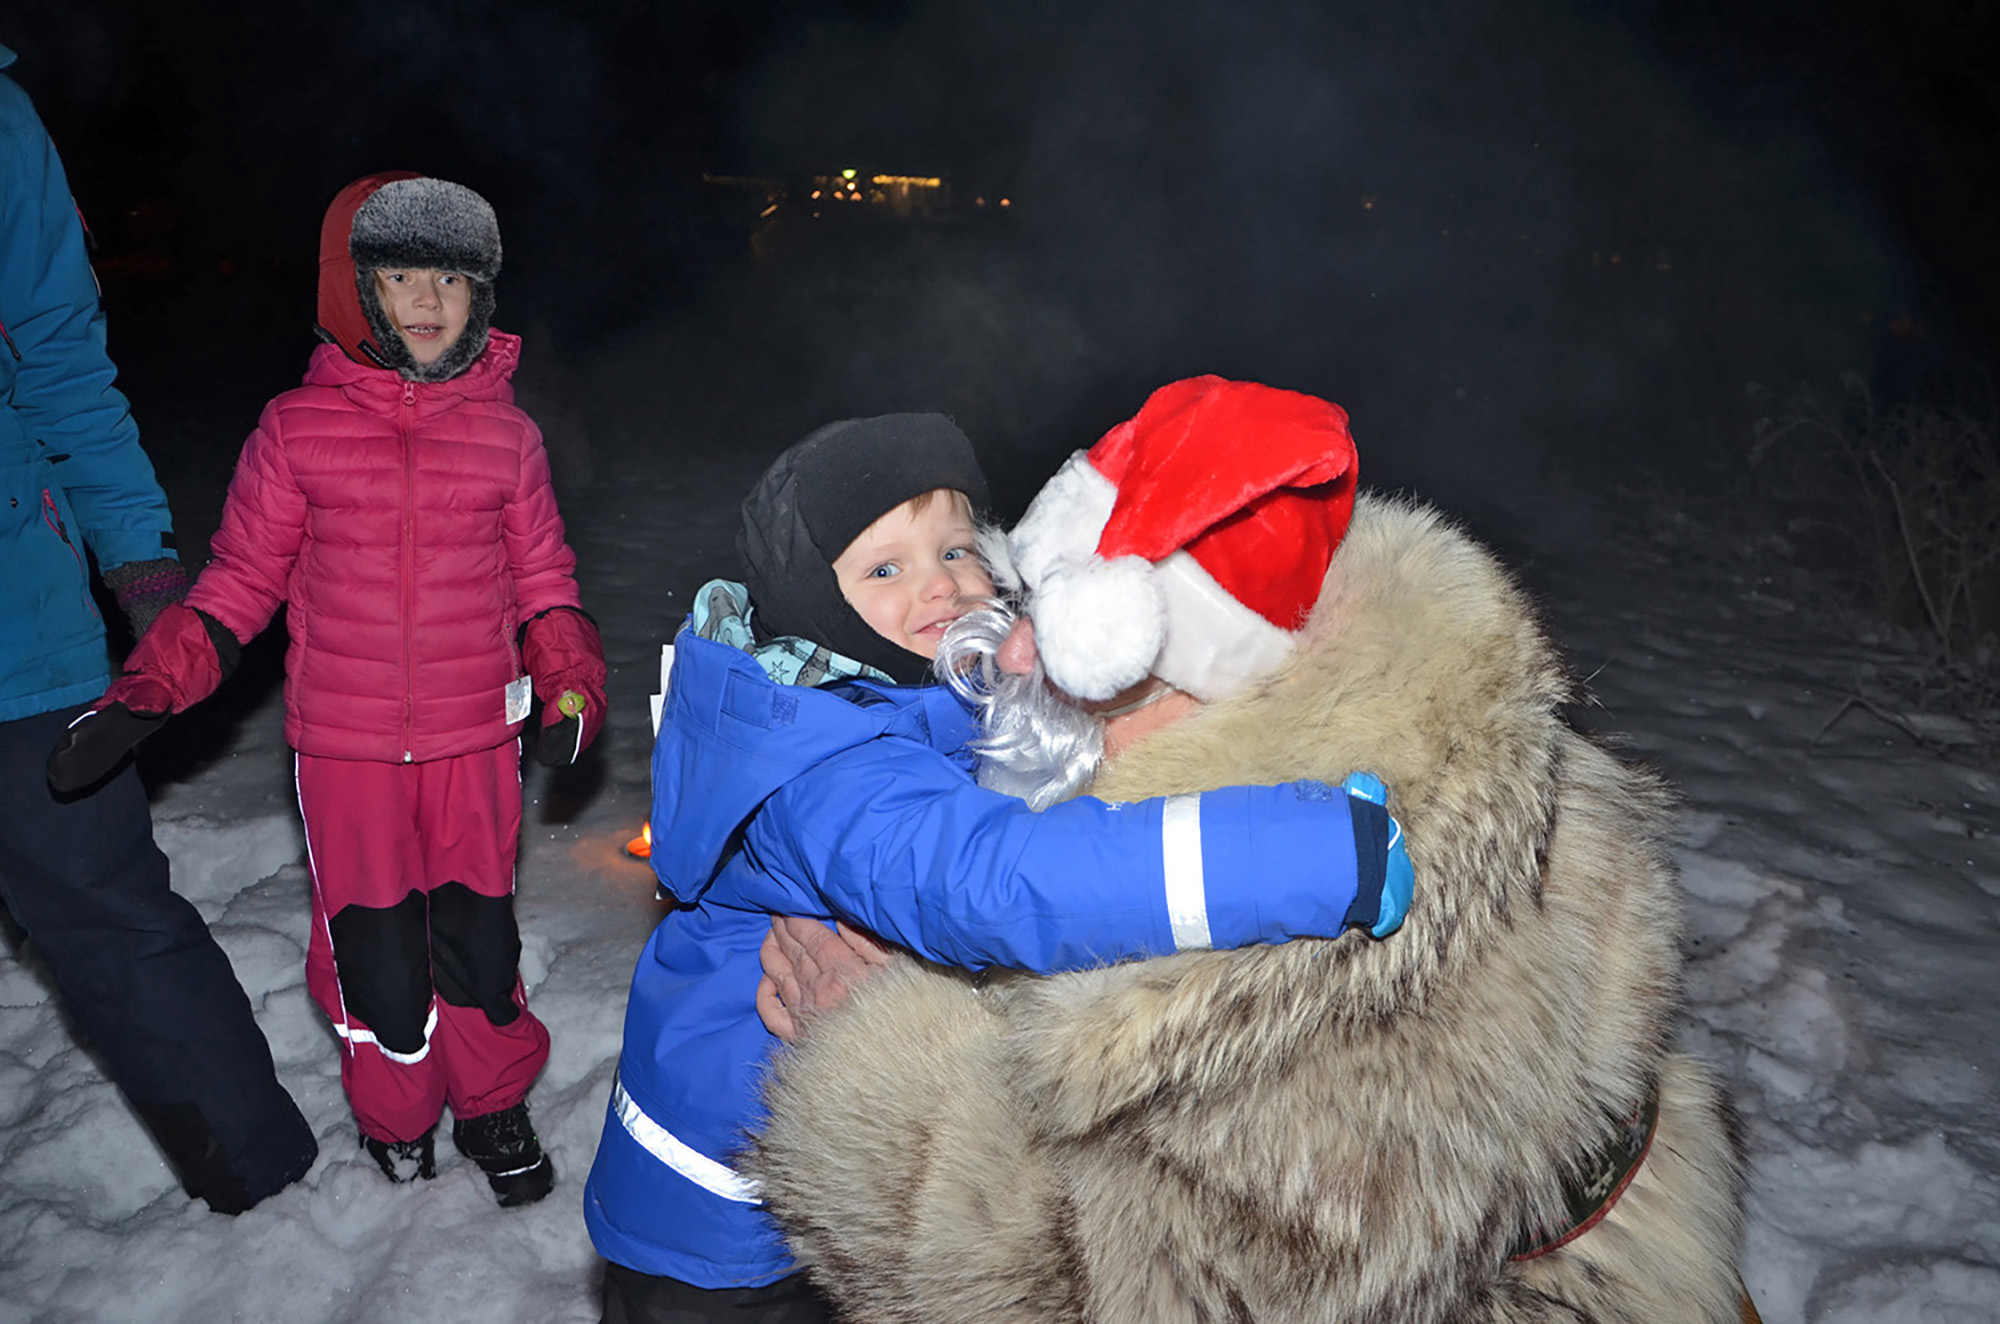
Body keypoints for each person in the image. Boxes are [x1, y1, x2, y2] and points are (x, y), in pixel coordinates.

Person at [749, 376, 1749, 1322]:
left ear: (1196, 688)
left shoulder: (1278, 989)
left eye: (1065, 647)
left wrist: (874, 1071)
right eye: (1028, 599)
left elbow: (1082, 1291)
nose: (1006, 649)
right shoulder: (1463, 727)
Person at [583, 412, 1414, 1324]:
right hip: (721, 1231)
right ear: (810, 604)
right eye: (885, 568)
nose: (939, 586)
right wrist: (1299, 852)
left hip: (811, 1182)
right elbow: (993, 882)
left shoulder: (910, 696)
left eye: (957, 549)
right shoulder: (825, 772)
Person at [47, 171, 605, 1209]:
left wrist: (567, 678)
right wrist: (150, 691)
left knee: (478, 945)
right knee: (376, 957)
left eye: (449, 277)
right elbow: (241, 581)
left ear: (478, 295)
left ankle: (491, 1104)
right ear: (356, 293)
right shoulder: (295, 431)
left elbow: (545, 583)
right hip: (346, 753)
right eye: (400, 275)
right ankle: (396, 1118)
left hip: (473, 742)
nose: (428, 299)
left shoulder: (506, 436)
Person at [0, 42, 317, 1215]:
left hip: (14, 625)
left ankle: (266, 1188)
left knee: (108, 913)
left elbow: (62, 365)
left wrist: (140, 567)